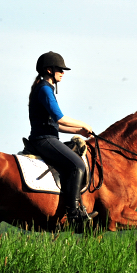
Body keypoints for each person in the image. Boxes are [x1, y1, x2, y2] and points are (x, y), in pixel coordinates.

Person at [28, 51, 98, 225]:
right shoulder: (44, 88)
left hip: (47, 136)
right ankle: (74, 212)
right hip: (43, 139)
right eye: (60, 69)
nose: (63, 72)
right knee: (78, 165)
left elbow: (56, 125)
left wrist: (79, 131)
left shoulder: (46, 88)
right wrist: (83, 124)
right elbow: (59, 117)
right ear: (49, 70)